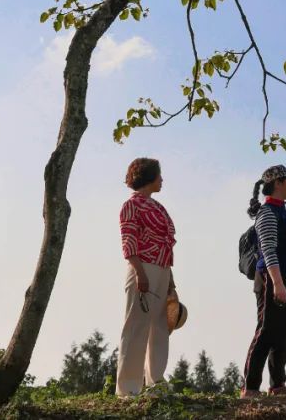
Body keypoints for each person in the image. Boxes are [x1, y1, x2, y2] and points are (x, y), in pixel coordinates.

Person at [241, 164, 286, 397]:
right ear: (278, 183)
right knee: (266, 331)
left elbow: (282, 251)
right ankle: (250, 388)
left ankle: (278, 385)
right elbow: (269, 250)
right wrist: (278, 284)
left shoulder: (282, 211)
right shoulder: (268, 213)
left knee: (283, 334)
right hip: (272, 279)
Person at [116, 157, 176, 397]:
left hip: (162, 268)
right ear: (149, 176)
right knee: (136, 326)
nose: (162, 179)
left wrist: (170, 280)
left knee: (160, 326)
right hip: (142, 266)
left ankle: (156, 383)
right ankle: (128, 388)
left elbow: (167, 244)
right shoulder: (131, 206)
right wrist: (140, 272)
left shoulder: (158, 207)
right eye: (159, 175)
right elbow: (129, 240)